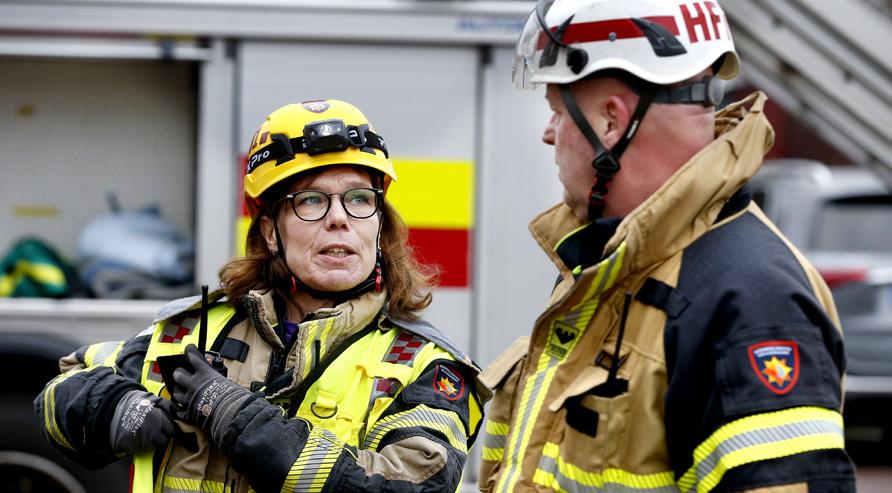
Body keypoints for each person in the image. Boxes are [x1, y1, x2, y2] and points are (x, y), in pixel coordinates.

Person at [478, 1, 855, 492]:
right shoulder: (609, 263)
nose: (549, 135)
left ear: (611, 122)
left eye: (557, 112)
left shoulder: (751, 302)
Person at [35, 99, 486, 493]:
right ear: (271, 232)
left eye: (359, 198)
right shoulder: (189, 332)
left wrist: (234, 414)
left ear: (378, 224)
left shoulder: (423, 365)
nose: (339, 219)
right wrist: (112, 407)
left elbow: (406, 486)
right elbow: (58, 394)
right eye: (311, 200)